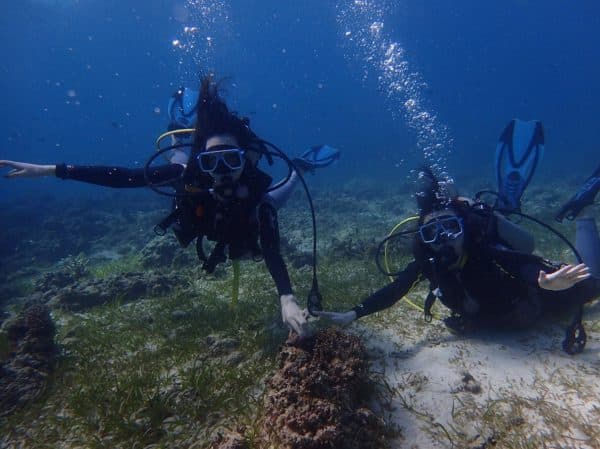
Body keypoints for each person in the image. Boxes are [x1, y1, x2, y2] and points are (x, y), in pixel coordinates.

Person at [0, 74, 339, 339]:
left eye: (231, 161)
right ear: (199, 162)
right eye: (211, 162)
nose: (221, 172)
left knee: (282, 192)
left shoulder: (255, 195)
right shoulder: (185, 173)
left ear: (244, 161)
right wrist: (51, 170)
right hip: (200, 199)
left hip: (248, 217)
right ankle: (181, 131)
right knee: (182, 167)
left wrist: (287, 298)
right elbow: (125, 177)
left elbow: (272, 251)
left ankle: (299, 167)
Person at [317, 166, 600, 351]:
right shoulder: (430, 263)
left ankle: (583, 215)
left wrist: (546, 283)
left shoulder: (481, 247)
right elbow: (397, 288)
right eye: (432, 232)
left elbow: (520, 263)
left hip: (539, 302)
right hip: (498, 320)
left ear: (464, 228)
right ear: (423, 238)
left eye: (450, 228)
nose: (443, 239)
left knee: (591, 285)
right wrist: (353, 313)